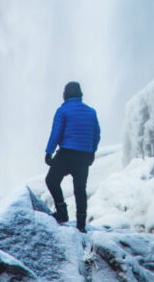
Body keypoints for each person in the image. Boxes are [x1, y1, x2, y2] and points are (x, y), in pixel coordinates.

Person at [44, 81, 100, 233]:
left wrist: (49, 152)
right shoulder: (91, 112)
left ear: (66, 95)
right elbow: (96, 135)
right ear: (80, 94)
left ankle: (62, 212)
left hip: (66, 153)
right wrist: (91, 152)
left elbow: (56, 133)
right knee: (80, 190)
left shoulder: (63, 111)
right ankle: (81, 224)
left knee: (51, 180)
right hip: (83, 157)